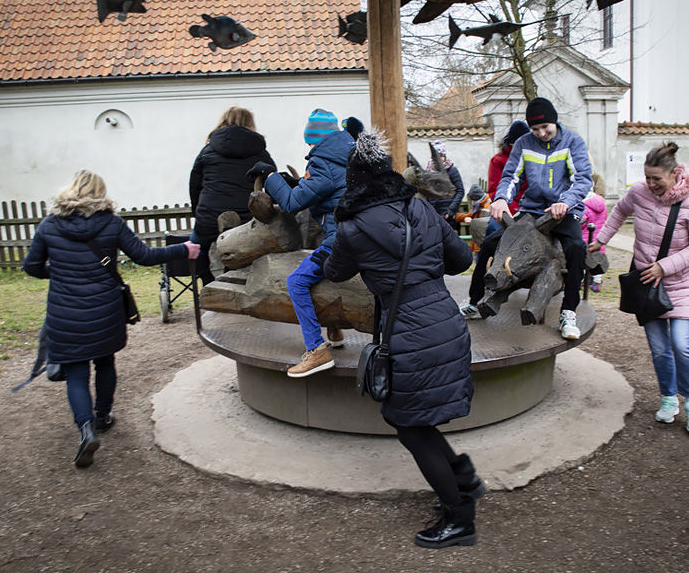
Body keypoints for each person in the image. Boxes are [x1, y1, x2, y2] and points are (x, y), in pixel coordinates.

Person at [323, 131, 481, 549]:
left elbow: (335, 272)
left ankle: (460, 518)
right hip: (446, 322)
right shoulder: (421, 207)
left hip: (409, 332)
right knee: (415, 419)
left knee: (409, 426)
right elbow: (460, 260)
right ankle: (463, 477)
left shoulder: (352, 227)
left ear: (354, 181)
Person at [22, 170, 200, 467]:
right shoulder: (111, 222)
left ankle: (86, 429)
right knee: (105, 362)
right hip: (104, 309)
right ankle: (103, 416)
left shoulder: (49, 225)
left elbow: (31, 267)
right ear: (100, 193)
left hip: (66, 312)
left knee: (76, 373)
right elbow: (143, 256)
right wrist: (183, 248)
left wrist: (61, 272)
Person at [589, 142, 689, 434]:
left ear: (675, 174)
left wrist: (664, 267)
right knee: (659, 348)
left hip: (682, 282)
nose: (651, 184)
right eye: (647, 177)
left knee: (681, 343)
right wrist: (601, 239)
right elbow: (619, 212)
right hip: (646, 282)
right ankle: (669, 398)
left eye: (657, 178)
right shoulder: (638, 192)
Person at [257, 108, 355, 377]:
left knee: (297, 281)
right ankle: (335, 331)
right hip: (365, 235)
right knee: (322, 271)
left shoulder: (322, 161)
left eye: (310, 143)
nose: (309, 148)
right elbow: (324, 189)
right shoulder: (349, 155)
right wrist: (297, 182)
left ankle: (316, 350)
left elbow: (291, 203)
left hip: (342, 240)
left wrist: (270, 177)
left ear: (315, 139)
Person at [490, 97, 592, 340]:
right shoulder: (523, 143)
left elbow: (582, 179)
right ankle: (477, 300)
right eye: (535, 129)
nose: (542, 133)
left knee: (576, 248)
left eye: (545, 127)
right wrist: (501, 198)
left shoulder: (573, 142)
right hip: (532, 210)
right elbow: (511, 177)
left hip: (564, 209)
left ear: (554, 122)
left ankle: (569, 311)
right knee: (490, 242)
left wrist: (565, 202)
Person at [189, 106, 275, 285]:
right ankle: (242, 282)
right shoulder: (260, 153)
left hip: (209, 218)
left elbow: (194, 186)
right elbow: (272, 184)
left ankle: (207, 283)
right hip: (246, 219)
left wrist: (198, 212)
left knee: (197, 248)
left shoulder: (207, 151)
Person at [459, 121, 530, 319]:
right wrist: (510, 212)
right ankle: (475, 299)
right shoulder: (498, 160)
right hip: (506, 211)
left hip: (529, 212)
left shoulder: (533, 158)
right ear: (509, 143)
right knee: (489, 241)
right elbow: (495, 190)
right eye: (515, 144)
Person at [425, 140, 465, 230]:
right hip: (434, 214)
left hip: (449, 214)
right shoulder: (428, 172)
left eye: (440, 156)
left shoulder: (452, 170)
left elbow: (460, 191)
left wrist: (451, 210)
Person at [582, 171, 608, 292]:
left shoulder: (584, 205)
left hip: (585, 238)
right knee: (598, 261)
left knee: (582, 260)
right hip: (599, 238)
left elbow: (582, 222)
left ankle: (581, 281)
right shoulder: (602, 203)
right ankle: (597, 282)